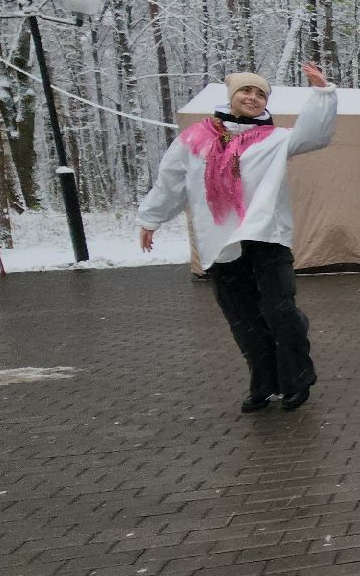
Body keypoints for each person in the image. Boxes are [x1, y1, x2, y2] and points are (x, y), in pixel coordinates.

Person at [138, 63, 337, 413]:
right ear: (232, 97)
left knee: (281, 311)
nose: (253, 98)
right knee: (242, 318)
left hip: (267, 237)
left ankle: (297, 379)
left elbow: (315, 134)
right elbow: (170, 181)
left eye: (260, 94)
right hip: (222, 242)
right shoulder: (195, 139)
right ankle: (264, 382)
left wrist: (322, 92)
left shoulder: (274, 139)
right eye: (247, 91)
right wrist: (150, 219)